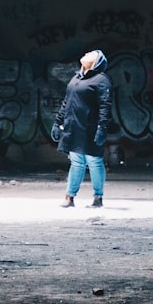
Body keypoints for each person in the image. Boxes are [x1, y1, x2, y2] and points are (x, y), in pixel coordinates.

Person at [51, 49, 113, 208]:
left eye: (92, 53)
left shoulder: (101, 80)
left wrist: (102, 127)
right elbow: (67, 101)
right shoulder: (75, 78)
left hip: (90, 127)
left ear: (97, 61)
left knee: (94, 162)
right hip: (74, 127)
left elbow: (105, 105)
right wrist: (57, 122)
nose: (86, 53)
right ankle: (69, 197)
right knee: (76, 162)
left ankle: (98, 197)